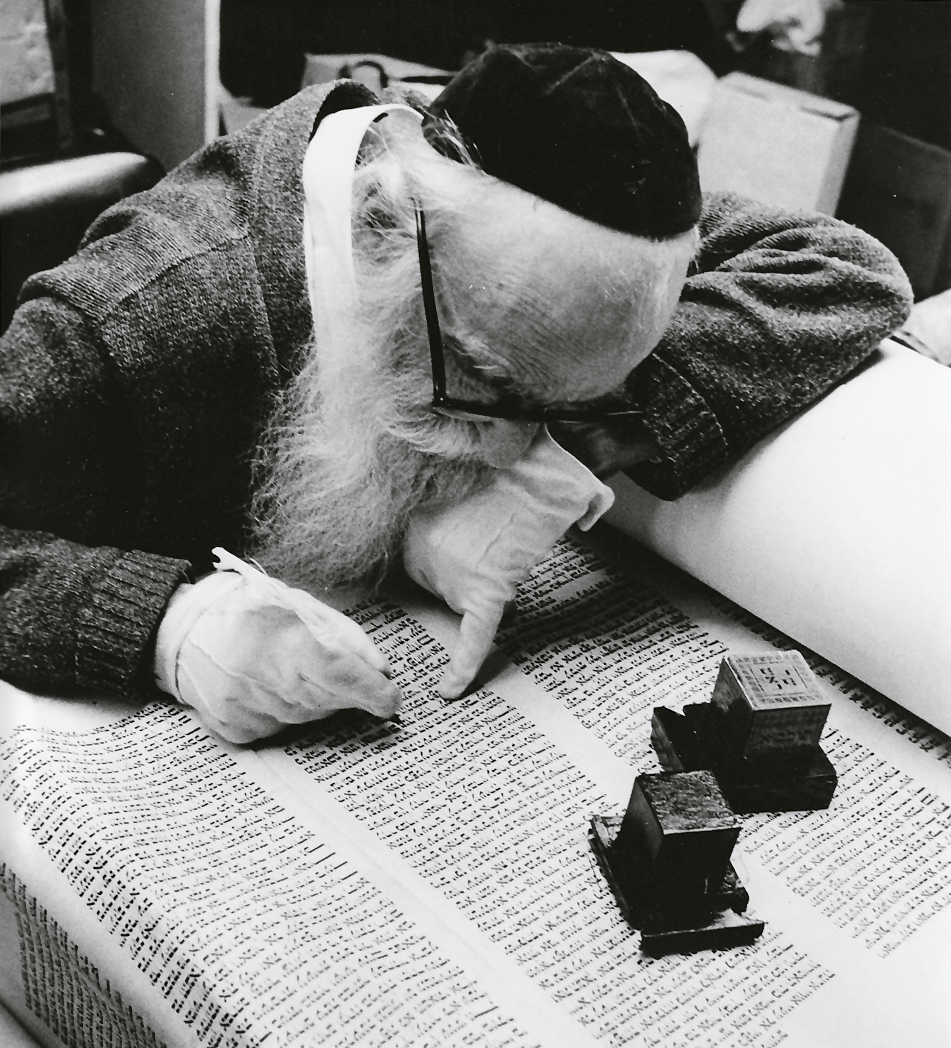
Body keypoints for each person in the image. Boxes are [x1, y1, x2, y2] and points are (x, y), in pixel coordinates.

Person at [0, 44, 911, 742]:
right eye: (487, 379)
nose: (508, 442)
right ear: (385, 223)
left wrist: (585, 441)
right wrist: (164, 625)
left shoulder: (544, 202)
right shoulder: (134, 320)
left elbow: (847, 269)